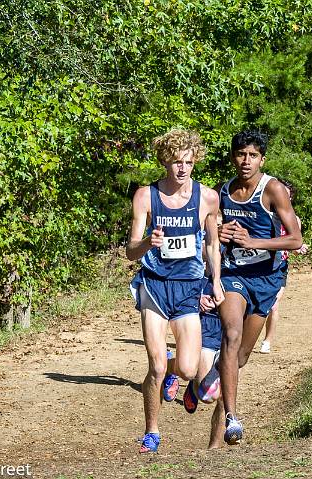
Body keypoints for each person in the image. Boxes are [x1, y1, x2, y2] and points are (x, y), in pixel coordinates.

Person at [126, 128, 224, 454]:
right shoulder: (145, 196)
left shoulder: (207, 198)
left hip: (188, 288)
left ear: (195, 161)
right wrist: (146, 243)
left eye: (188, 162)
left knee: (187, 369)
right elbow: (130, 250)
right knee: (153, 367)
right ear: (164, 161)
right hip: (154, 285)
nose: (182, 169)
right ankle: (151, 433)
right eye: (175, 162)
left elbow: (212, 243)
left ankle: (171, 366)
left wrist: (217, 281)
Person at [216, 130, 303, 445]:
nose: (246, 161)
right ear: (233, 158)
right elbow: (206, 229)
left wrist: (255, 242)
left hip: (266, 279)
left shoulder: (274, 190)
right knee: (231, 334)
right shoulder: (222, 192)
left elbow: (296, 240)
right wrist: (217, 230)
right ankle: (232, 418)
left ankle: (214, 380)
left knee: (239, 357)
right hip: (233, 273)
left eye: (252, 155)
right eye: (240, 154)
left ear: (261, 160)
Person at [259, 178, 309, 354]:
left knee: (273, 304)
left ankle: (267, 340)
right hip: (261, 264)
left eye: (286, 196)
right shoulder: (264, 215)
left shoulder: (294, 220)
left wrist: (299, 248)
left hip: (280, 266)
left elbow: (295, 243)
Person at [180, 280, 226, 449]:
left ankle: (214, 448)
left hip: (235, 323)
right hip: (207, 319)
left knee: (226, 393)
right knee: (208, 396)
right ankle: (192, 382)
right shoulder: (207, 253)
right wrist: (196, 297)